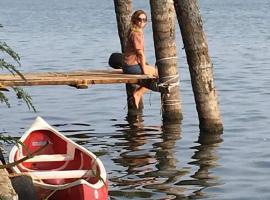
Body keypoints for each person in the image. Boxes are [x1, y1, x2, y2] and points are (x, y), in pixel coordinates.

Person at [123, 10, 158, 109]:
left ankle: (138, 94)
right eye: (139, 19)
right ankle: (138, 93)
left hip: (129, 66)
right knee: (159, 74)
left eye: (144, 20)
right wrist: (144, 70)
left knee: (154, 72)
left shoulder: (133, 31)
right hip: (131, 67)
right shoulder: (136, 34)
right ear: (134, 20)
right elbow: (140, 54)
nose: (142, 22)